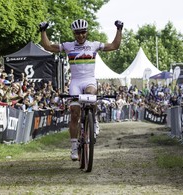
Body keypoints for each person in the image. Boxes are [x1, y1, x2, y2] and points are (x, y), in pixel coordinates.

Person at [39, 19, 123, 161]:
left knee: (91, 95)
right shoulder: (68, 46)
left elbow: (115, 45)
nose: (80, 35)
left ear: (87, 32)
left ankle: (93, 120)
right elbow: (48, 46)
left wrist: (119, 29)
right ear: (74, 33)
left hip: (89, 80)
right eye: (77, 33)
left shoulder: (94, 45)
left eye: (83, 32)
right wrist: (43, 30)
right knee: (74, 114)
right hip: (75, 82)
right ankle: (73, 147)